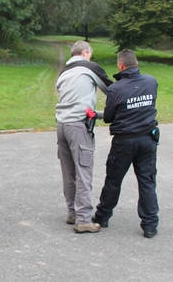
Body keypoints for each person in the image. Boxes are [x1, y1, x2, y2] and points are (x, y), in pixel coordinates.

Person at [92, 49, 159, 238]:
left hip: (124, 142)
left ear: (120, 66)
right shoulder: (151, 82)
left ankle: (102, 216)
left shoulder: (115, 89)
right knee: (147, 181)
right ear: (136, 64)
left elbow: (109, 117)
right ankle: (150, 225)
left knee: (113, 180)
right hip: (147, 139)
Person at [55, 40, 113, 233]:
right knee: (84, 171)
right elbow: (113, 91)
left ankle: (72, 212)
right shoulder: (90, 67)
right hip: (79, 125)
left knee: (69, 172)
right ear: (86, 52)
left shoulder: (64, 72)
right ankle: (84, 219)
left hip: (62, 124)